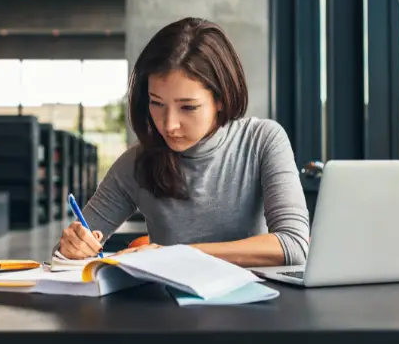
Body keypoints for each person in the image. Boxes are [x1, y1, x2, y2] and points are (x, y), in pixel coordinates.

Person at [58, 17, 310, 267]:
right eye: (156, 103)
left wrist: (175, 254)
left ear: (221, 98)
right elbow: (61, 259)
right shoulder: (135, 164)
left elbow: (294, 245)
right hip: (169, 305)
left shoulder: (262, 141)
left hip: (256, 303)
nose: (169, 125)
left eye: (188, 107)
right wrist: (71, 249)